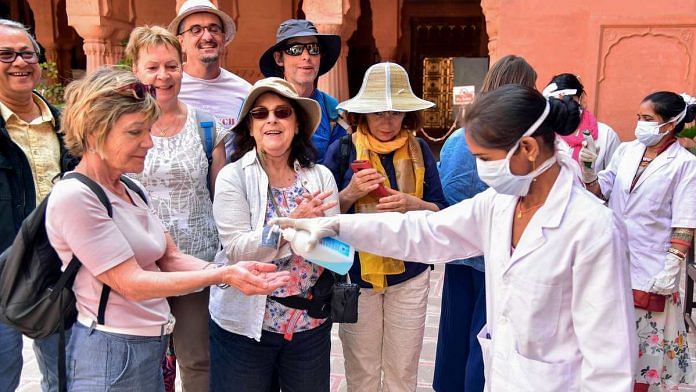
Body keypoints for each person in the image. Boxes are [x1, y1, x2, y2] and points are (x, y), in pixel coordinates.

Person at [274, 84, 638, 391]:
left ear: (527, 148)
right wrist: (338, 227)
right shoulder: (500, 204)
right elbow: (427, 231)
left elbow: (610, 362)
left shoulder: (593, 229)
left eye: (486, 158)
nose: (482, 170)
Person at [44, 66, 289, 391]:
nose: (149, 142)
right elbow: (130, 282)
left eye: (148, 130)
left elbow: (169, 256)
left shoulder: (129, 188)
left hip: (147, 349)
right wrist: (222, 276)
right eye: (135, 132)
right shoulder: (76, 196)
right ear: (94, 133)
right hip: (111, 353)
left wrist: (232, 271)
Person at [322, 62, 447, 392]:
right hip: (356, 276)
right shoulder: (343, 150)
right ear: (363, 115)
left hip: (410, 274)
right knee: (361, 371)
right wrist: (350, 193)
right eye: (378, 112)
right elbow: (320, 216)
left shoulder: (420, 151)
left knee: (402, 371)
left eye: (395, 112)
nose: (387, 121)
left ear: (407, 114)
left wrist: (412, 204)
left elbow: (442, 210)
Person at [209, 77, 339, 392]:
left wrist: (302, 233)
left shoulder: (320, 177)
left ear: (297, 124)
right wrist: (293, 225)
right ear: (250, 128)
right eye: (260, 113)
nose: (271, 120)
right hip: (245, 327)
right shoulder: (233, 177)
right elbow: (239, 250)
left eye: (282, 112)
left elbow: (335, 252)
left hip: (309, 324)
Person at [125, 25, 227, 391]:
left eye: (171, 66)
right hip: (136, 265)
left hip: (194, 263)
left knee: (197, 358)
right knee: (142, 360)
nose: (163, 76)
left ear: (183, 67)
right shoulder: (120, 126)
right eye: (152, 67)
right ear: (136, 70)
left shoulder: (206, 127)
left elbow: (220, 198)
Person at [434, 54, 537, 392]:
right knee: (488, 337)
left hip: (459, 253)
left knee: (454, 337)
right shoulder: (517, 145)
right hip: (497, 259)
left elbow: (445, 193)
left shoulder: (456, 139)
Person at [580, 91, 696, 391]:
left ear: (670, 124)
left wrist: (671, 268)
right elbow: (601, 190)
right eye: (638, 118)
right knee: (610, 346)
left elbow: (684, 223)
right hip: (612, 258)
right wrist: (589, 170)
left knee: (645, 354)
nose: (640, 125)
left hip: (653, 270)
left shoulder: (684, 164)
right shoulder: (627, 151)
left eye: (648, 120)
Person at [0, 18, 78, 392]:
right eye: (6, 54)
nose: (19, 62)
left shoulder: (66, 125)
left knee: (64, 376)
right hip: (1, 274)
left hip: (58, 274)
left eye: (27, 53)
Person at [168, 0, 251, 156]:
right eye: (195, 30)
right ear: (181, 42)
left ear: (223, 39)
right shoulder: (168, 87)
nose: (207, 36)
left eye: (214, 29)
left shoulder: (244, 91)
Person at [259, 19, 347, 163]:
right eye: (295, 49)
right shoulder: (260, 107)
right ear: (279, 58)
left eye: (313, 48)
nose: (306, 56)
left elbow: (340, 167)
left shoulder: (331, 109)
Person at [543, 73, 620, 171]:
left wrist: (591, 179)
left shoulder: (607, 136)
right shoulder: (545, 136)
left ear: (582, 99)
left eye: (568, 100)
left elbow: (614, 179)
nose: (562, 107)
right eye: (556, 103)